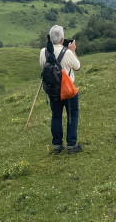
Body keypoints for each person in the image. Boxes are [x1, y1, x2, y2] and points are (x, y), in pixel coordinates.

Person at [39, 24, 82, 154]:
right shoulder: (67, 52)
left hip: (52, 91)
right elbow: (78, 66)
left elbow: (42, 65)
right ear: (62, 40)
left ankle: (57, 145)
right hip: (67, 91)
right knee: (72, 115)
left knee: (56, 116)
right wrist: (73, 51)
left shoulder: (43, 52)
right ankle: (71, 145)